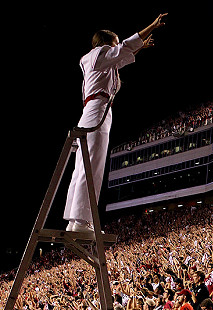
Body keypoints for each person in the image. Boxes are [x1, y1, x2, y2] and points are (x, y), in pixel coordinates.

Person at [64, 12, 168, 232]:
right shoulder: (100, 53)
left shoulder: (96, 60)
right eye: (114, 43)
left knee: (83, 165)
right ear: (105, 43)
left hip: (90, 110)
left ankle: (75, 220)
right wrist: (151, 26)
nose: (116, 47)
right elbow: (122, 50)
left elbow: (121, 56)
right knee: (93, 165)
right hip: (98, 110)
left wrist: (139, 48)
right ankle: (82, 221)